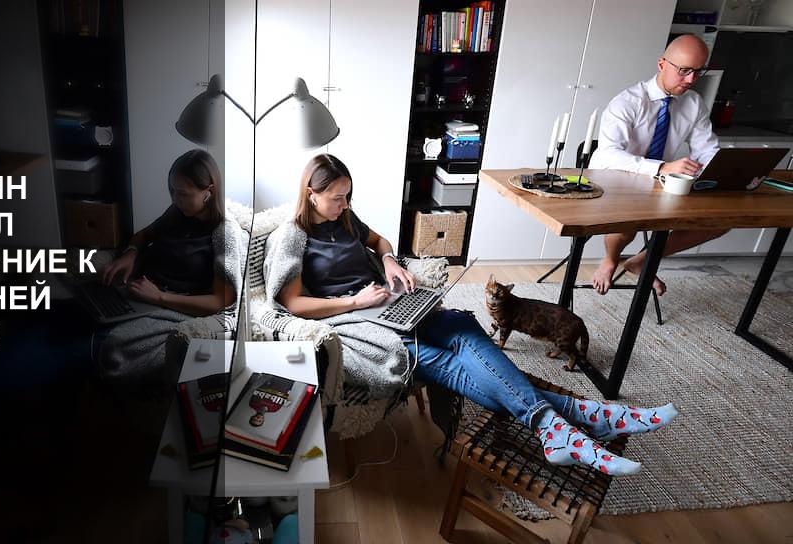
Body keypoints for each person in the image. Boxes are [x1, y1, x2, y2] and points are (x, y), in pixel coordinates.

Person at [275, 154, 680, 476]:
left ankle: (564, 426)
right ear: (311, 194)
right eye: (337, 198)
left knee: (465, 330)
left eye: (348, 196)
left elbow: (379, 240)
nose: (345, 204)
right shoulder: (293, 236)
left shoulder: (345, 218)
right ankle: (586, 416)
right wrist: (354, 303)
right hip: (361, 322)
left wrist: (390, 262)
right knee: (453, 365)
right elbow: (292, 304)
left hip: (388, 301)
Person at [588, 34, 728, 296]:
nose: (691, 80)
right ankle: (609, 260)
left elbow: (707, 149)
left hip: (661, 185)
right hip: (614, 180)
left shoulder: (693, 103)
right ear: (662, 64)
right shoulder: (627, 102)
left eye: (698, 72)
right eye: (684, 70)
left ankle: (642, 261)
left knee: (719, 223)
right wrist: (662, 167)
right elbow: (608, 154)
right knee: (630, 222)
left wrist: (722, 169)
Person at [101, 148, 236, 317]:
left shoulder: (224, 233)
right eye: (173, 190)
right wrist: (130, 253)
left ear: (209, 192)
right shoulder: (177, 212)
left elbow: (221, 301)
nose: (175, 199)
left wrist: (159, 297)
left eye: (183, 194)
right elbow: (144, 235)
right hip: (138, 284)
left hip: (167, 302)